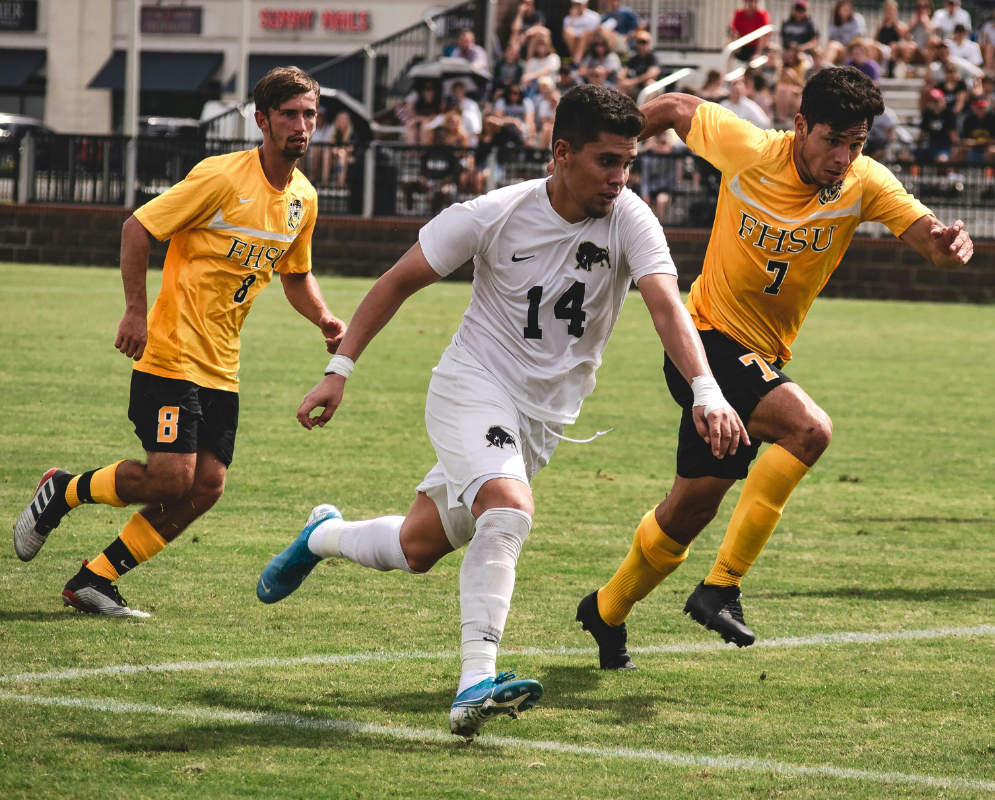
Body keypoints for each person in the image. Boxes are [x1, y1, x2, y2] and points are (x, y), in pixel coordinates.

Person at [255, 83, 747, 736]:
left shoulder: (631, 218)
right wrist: (337, 371)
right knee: (509, 510)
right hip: (472, 388)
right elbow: (396, 282)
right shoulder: (492, 213)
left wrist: (706, 389)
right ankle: (474, 685)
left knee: (418, 547)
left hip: (541, 422)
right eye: (607, 161)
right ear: (561, 153)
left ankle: (322, 534)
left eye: (629, 162)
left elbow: (666, 306)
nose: (620, 178)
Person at [576, 67, 973, 668]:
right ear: (800, 127)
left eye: (856, 143)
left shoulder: (864, 182)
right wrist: (619, 148)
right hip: (705, 343)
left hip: (758, 358)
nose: (843, 157)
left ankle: (605, 611)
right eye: (832, 140)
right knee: (808, 429)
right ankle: (721, 587)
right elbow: (679, 107)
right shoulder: (752, 150)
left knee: (687, 513)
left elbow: (926, 238)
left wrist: (946, 249)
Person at [13, 67, 346, 616]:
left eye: (309, 114)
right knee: (171, 478)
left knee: (207, 486)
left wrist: (325, 319)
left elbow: (294, 274)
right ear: (262, 121)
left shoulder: (303, 199)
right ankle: (64, 490)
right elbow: (138, 227)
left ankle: (95, 578)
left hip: (222, 364)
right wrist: (136, 311)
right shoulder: (221, 177)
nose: (302, 125)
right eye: (289, 114)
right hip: (170, 352)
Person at [916, 87, 956, 163]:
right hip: (930, 146)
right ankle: (914, 175)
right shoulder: (927, 113)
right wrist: (917, 144)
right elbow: (922, 133)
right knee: (907, 156)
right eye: (932, 101)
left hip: (944, 147)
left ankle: (943, 175)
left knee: (941, 160)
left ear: (942, 101)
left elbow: (953, 135)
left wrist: (953, 149)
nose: (935, 104)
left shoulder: (949, 114)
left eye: (936, 101)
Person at [618, 31, 661, 98]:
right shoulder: (634, 58)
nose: (642, 46)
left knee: (650, 83)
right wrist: (622, 79)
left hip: (655, 89)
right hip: (637, 88)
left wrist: (632, 82)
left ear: (649, 44)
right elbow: (623, 71)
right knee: (622, 85)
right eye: (640, 43)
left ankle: (646, 108)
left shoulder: (653, 58)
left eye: (644, 43)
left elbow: (652, 75)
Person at [824, 0, 866, 65]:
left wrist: (846, 47)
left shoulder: (857, 19)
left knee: (869, 44)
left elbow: (858, 39)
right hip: (838, 50)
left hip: (852, 50)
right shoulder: (833, 21)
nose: (846, 11)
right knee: (832, 46)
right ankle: (826, 67)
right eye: (843, 9)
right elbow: (830, 39)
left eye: (847, 9)